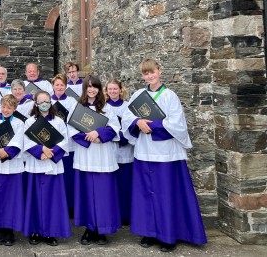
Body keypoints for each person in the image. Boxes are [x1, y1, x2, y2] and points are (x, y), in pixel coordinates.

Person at [122, 59, 207, 252]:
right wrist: (137, 121)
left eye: (152, 72)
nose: (149, 76)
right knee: (146, 194)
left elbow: (177, 124)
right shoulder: (138, 95)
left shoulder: (170, 96)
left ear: (159, 71)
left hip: (166, 154)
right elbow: (127, 117)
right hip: (144, 152)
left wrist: (150, 125)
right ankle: (149, 232)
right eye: (145, 74)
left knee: (165, 194)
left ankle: (168, 235)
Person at [68, 75, 121, 245]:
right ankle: (89, 229)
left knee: (103, 194)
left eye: (95, 87)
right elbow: (70, 129)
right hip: (85, 155)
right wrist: (88, 137)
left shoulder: (106, 107)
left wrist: (99, 134)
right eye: (89, 87)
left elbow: (114, 127)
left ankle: (102, 230)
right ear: (85, 89)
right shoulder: (77, 107)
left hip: (103, 155)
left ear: (99, 89)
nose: (91, 90)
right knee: (87, 193)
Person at [23, 91, 71, 246]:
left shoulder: (58, 121)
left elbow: (64, 141)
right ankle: (35, 231)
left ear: (51, 103)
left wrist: (51, 152)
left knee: (53, 200)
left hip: (53, 164)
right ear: (36, 103)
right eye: (41, 101)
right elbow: (26, 140)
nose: (44, 103)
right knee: (35, 199)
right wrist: (40, 150)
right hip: (36, 163)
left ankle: (51, 232)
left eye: (47, 101)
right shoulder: (30, 122)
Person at [0, 94, 25, 246]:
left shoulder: (20, 123)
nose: (6, 110)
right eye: (4, 107)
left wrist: (5, 152)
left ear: (15, 108)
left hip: (13, 167)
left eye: (9, 107)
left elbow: (18, 140)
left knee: (11, 200)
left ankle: (9, 230)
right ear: (0, 107)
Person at [105, 78, 134, 225]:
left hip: (126, 150)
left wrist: (124, 137)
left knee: (125, 184)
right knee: (112, 185)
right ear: (106, 91)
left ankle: (126, 215)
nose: (113, 91)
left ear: (121, 90)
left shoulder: (128, 107)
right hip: (110, 150)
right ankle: (113, 214)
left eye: (115, 89)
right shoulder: (103, 107)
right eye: (110, 89)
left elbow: (132, 125)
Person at [50, 74, 78, 215]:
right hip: (53, 142)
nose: (59, 87)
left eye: (62, 85)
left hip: (69, 142)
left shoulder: (72, 101)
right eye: (57, 85)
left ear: (66, 86)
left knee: (69, 176)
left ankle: (70, 206)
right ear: (52, 86)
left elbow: (75, 120)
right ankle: (58, 204)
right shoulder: (47, 101)